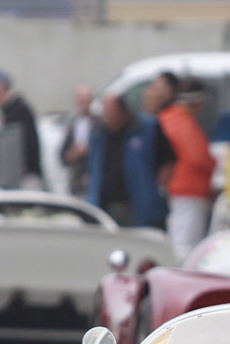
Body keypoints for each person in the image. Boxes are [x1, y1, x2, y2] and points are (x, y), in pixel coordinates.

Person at [86, 94, 176, 228]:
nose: (109, 117)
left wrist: (157, 188)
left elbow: (168, 161)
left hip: (139, 207)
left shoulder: (146, 129)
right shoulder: (98, 134)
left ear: (123, 112)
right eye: (106, 112)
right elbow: (92, 167)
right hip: (106, 206)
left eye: (112, 112)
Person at [159, 78, 217, 261]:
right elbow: (197, 157)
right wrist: (213, 164)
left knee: (179, 237)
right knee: (187, 244)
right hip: (189, 189)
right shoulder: (181, 122)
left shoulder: (169, 119)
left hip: (179, 188)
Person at [0, 70, 43, 189]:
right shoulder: (11, 110)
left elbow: (23, 146)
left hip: (24, 178)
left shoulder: (17, 111)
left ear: (0, 88)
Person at [59, 84, 95, 198]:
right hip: (76, 181)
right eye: (81, 100)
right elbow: (62, 156)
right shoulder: (72, 125)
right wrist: (73, 153)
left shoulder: (99, 124)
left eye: (86, 100)